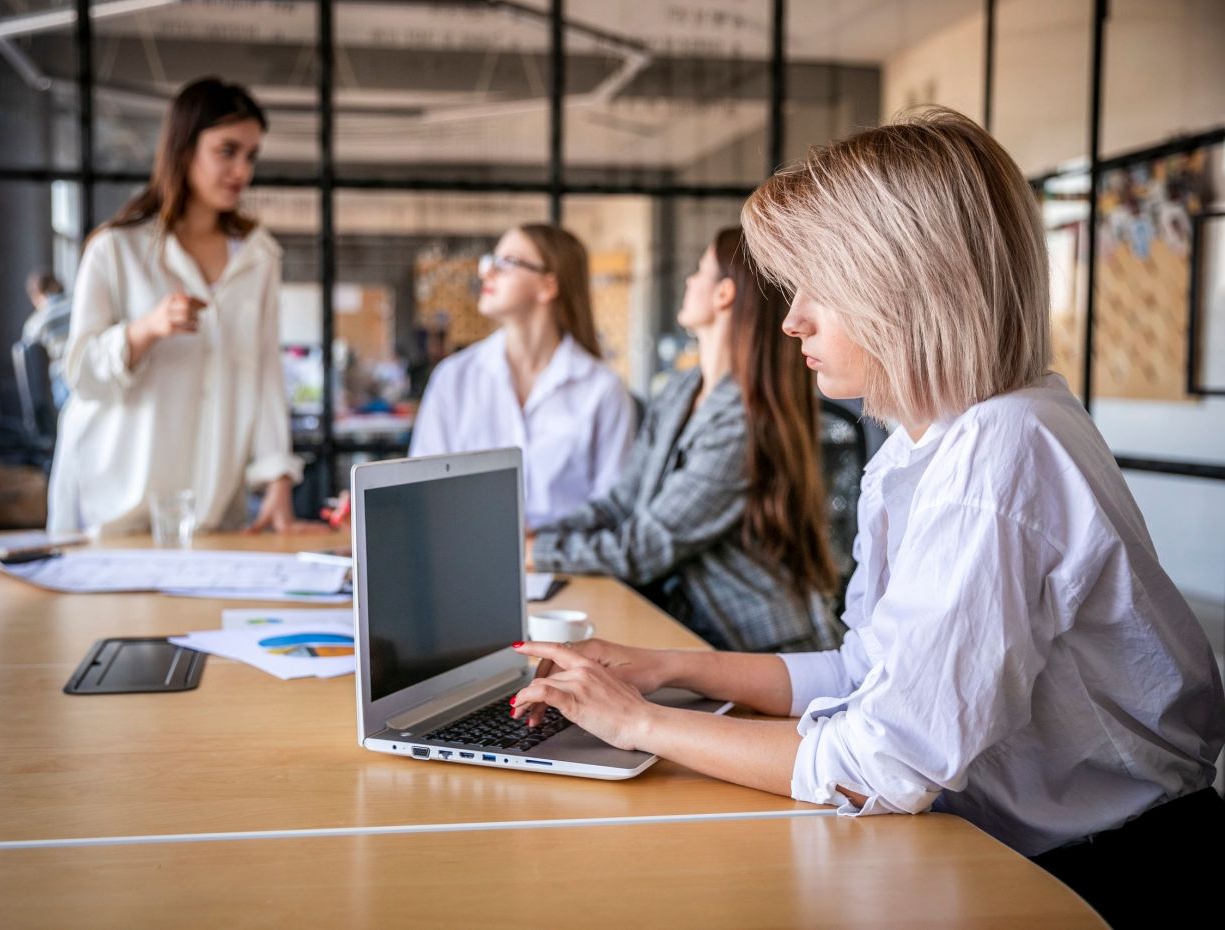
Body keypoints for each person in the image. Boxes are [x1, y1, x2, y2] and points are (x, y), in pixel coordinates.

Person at [509, 109, 1224, 929]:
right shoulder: (932, 440)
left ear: (905, 286)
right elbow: (867, 678)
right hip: (1032, 853)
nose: (792, 320)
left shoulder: (997, 454)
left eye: (822, 287)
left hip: (1109, 877)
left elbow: (881, 763)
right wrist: (663, 668)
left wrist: (637, 724)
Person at [528, 227, 842, 653]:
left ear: (723, 295)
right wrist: (535, 535)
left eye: (700, 271)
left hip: (756, 642)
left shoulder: (744, 419)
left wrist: (540, 551)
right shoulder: (682, 390)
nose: (689, 281)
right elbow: (621, 503)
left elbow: (645, 548)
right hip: (687, 624)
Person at [48, 77, 314, 537]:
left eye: (251, 156)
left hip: (207, 503)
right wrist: (145, 329)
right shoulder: (115, 249)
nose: (242, 171)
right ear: (184, 148)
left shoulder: (259, 256)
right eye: (227, 151)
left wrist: (278, 480)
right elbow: (80, 375)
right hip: (113, 500)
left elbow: (266, 371)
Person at [408, 224, 635, 528]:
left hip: (567, 565)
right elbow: (422, 490)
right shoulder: (453, 378)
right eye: (491, 261)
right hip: (468, 560)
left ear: (548, 286)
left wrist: (540, 545)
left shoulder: (603, 389)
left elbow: (614, 509)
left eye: (507, 263)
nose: (486, 272)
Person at [22, 270, 73, 408]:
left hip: (63, 381)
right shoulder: (79, 304)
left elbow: (27, 355)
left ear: (36, 295)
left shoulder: (36, 322)